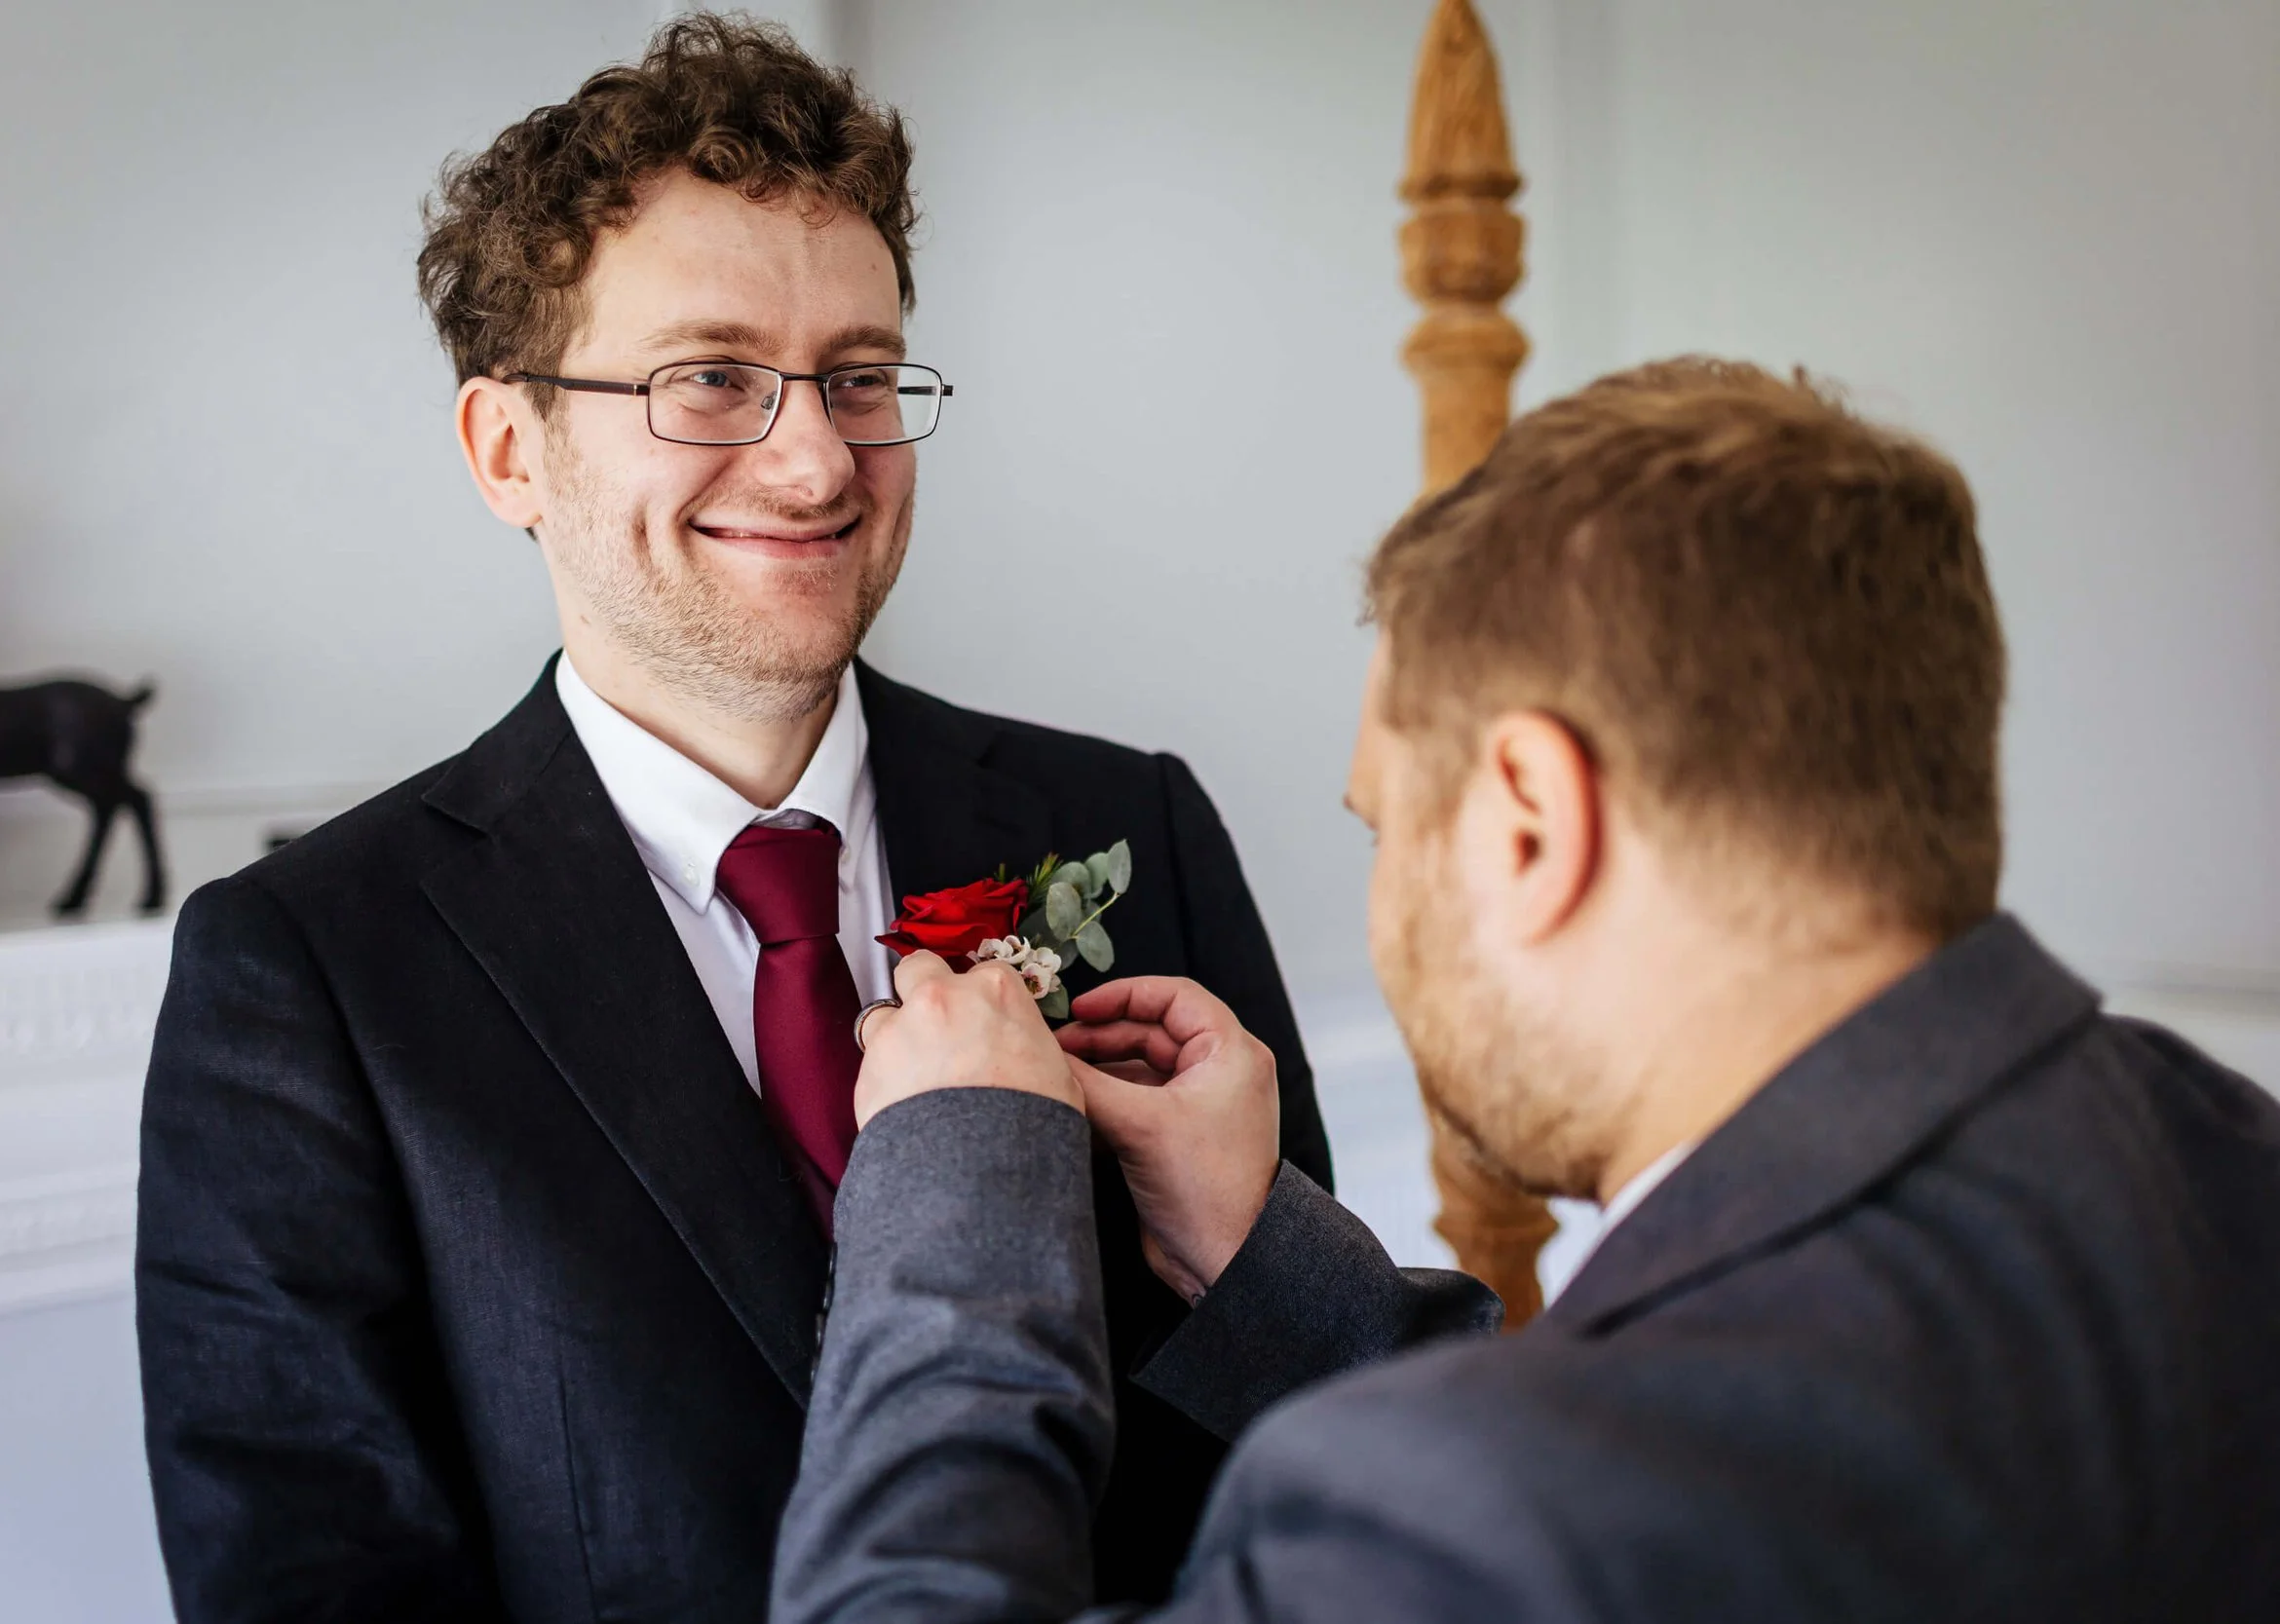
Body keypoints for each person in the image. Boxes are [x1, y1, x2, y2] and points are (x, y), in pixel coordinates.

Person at [133, 18, 1330, 1623]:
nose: (820, 458)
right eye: (711, 378)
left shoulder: (1132, 826)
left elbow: (1325, 1476)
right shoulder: (306, 972)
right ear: (509, 449)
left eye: (858, 375)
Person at [769, 359, 2280, 1622]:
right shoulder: (2223, 1157)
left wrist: (961, 1187)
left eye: (1387, 828)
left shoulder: (1492, 1522)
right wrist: (1266, 1267)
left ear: (1533, 822)